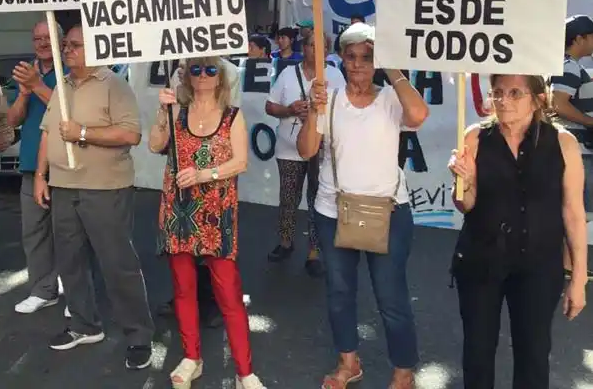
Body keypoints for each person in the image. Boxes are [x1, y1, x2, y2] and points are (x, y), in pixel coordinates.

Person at [298, 23, 429, 389]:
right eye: (351, 56)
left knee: (391, 296)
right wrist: (314, 110)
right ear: (341, 58)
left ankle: (403, 371)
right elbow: (306, 150)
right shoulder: (329, 98)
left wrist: (393, 68)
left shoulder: (391, 98)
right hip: (333, 209)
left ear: (378, 61)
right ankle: (348, 363)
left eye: (368, 57)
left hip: (388, 212)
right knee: (339, 293)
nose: (358, 64)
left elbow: (418, 115)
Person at [448, 74, 588, 388]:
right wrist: (464, 182)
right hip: (481, 259)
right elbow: (465, 205)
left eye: (515, 93)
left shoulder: (562, 142)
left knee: (534, 356)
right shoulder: (475, 137)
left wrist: (578, 277)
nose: (503, 100)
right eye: (497, 92)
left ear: (538, 99)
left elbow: (573, 213)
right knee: (477, 354)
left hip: (539, 265)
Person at [36, 24, 154, 369]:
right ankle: (84, 325)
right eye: (65, 45)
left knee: (117, 263)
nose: (66, 50)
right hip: (63, 184)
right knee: (69, 261)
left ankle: (138, 335)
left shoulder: (114, 85)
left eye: (74, 45)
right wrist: (41, 175)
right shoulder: (63, 84)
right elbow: (48, 132)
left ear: (95, 49)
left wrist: (83, 133)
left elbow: (131, 134)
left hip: (105, 187)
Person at [148, 57, 266, 389]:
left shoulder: (232, 116)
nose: (202, 75)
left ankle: (245, 371)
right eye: (195, 69)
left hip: (217, 214)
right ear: (186, 76)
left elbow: (240, 162)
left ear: (221, 77)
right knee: (183, 290)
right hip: (179, 212)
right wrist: (162, 112)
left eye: (210, 69)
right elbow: (155, 145)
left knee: (228, 293)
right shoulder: (177, 111)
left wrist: (204, 174)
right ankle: (191, 357)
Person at [266, 26, 346, 275]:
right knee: (288, 198)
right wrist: (290, 110)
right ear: (304, 47)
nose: (317, 50)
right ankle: (285, 241)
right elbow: (270, 106)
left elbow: (343, 111)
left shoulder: (336, 76)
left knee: (318, 200)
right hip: (288, 149)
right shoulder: (288, 74)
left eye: (323, 46)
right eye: (313, 45)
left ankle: (314, 251)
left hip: (321, 151)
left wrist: (317, 113)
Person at [10, 20, 65, 314]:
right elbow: (12, 120)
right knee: (35, 232)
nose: (43, 43)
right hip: (32, 164)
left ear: (61, 41)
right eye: (37, 38)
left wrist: (37, 85)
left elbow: (66, 111)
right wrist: (24, 93)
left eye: (48, 37)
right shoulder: (28, 71)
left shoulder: (70, 70)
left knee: (71, 234)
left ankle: (78, 294)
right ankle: (43, 290)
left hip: (66, 165)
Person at [550, 14, 593, 277]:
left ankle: (568, 265)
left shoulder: (569, 66)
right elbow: (558, 104)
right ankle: (567, 265)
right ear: (579, 38)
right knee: (576, 207)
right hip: (575, 148)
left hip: (577, 148)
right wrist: (590, 122)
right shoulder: (569, 67)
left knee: (577, 207)